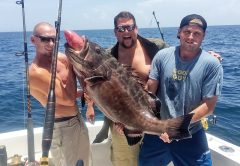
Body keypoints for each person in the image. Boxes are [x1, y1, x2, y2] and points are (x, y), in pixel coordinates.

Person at [139, 14, 223, 166]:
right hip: (157, 132)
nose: (191, 37)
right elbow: (149, 92)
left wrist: (175, 128)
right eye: (186, 32)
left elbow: (209, 106)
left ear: (203, 36)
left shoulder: (212, 64)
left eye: (196, 33)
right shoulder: (162, 56)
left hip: (189, 133)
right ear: (179, 32)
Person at [88, 11, 167, 166]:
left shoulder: (157, 46)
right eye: (121, 29)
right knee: (126, 162)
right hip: (122, 123)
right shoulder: (108, 56)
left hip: (157, 116)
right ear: (115, 32)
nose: (126, 32)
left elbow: (179, 60)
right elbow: (95, 87)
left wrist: (204, 56)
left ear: (136, 28)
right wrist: (91, 106)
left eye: (129, 27)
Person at [29, 22, 92, 166]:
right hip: (62, 127)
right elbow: (69, 99)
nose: (51, 44)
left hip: (77, 120)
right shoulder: (36, 73)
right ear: (33, 40)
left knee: (86, 162)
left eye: (54, 39)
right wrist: (72, 64)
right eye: (45, 39)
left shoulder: (62, 58)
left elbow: (83, 77)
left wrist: (90, 100)